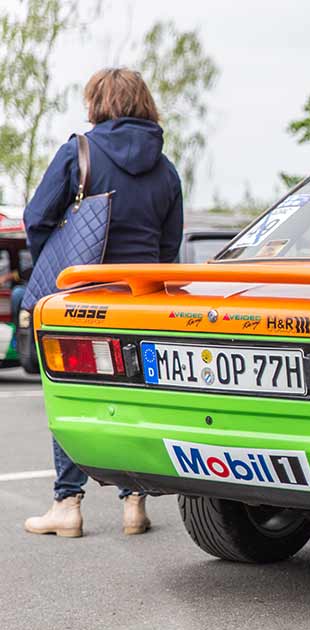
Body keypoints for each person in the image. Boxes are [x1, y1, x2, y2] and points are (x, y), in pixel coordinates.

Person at [23, 67, 183, 538]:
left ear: (96, 103)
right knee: (130, 396)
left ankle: (67, 505)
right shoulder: (166, 167)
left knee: (72, 394)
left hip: (83, 295)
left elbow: (36, 217)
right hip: (140, 302)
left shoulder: (79, 151)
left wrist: (58, 263)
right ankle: (134, 502)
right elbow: (171, 245)